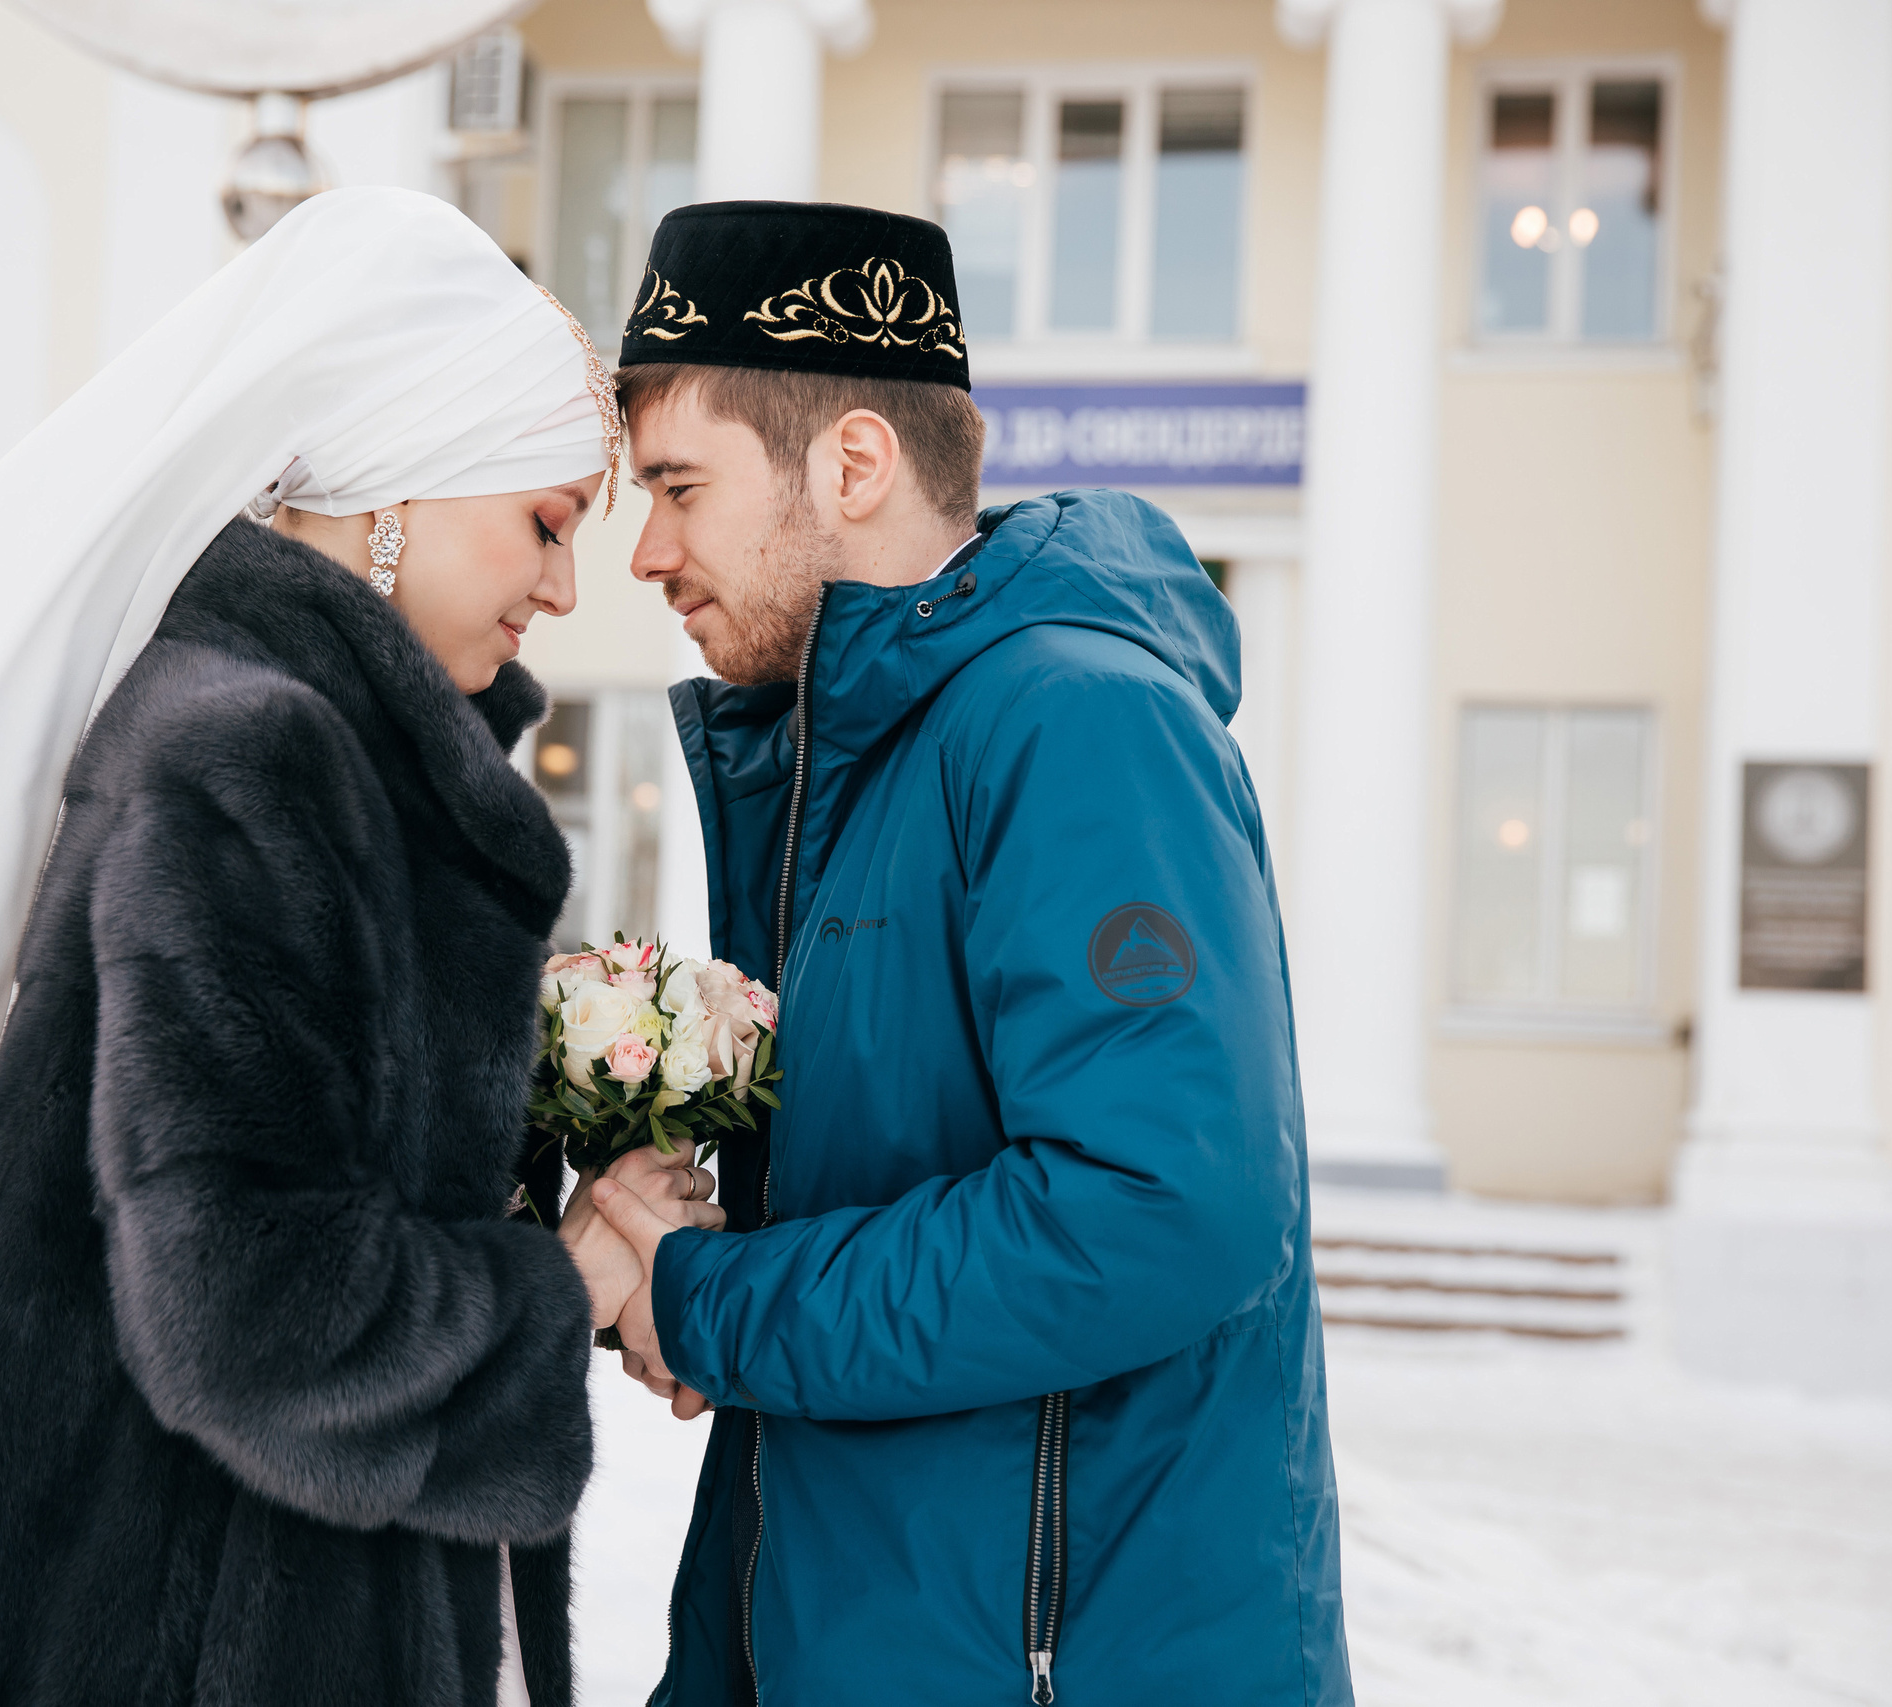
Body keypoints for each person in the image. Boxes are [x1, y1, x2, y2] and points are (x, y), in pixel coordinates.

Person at [0, 187, 714, 1707]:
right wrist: (564, 1284)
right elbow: (253, 1312)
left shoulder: (318, 750)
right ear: (400, 484)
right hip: (149, 1615)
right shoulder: (256, 757)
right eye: (544, 520)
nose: (561, 589)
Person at [579, 202, 1352, 1706]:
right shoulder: (847, 751)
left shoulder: (1077, 724)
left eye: (679, 485)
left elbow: (1157, 1212)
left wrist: (707, 1301)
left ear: (852, 464)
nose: (646, 552)